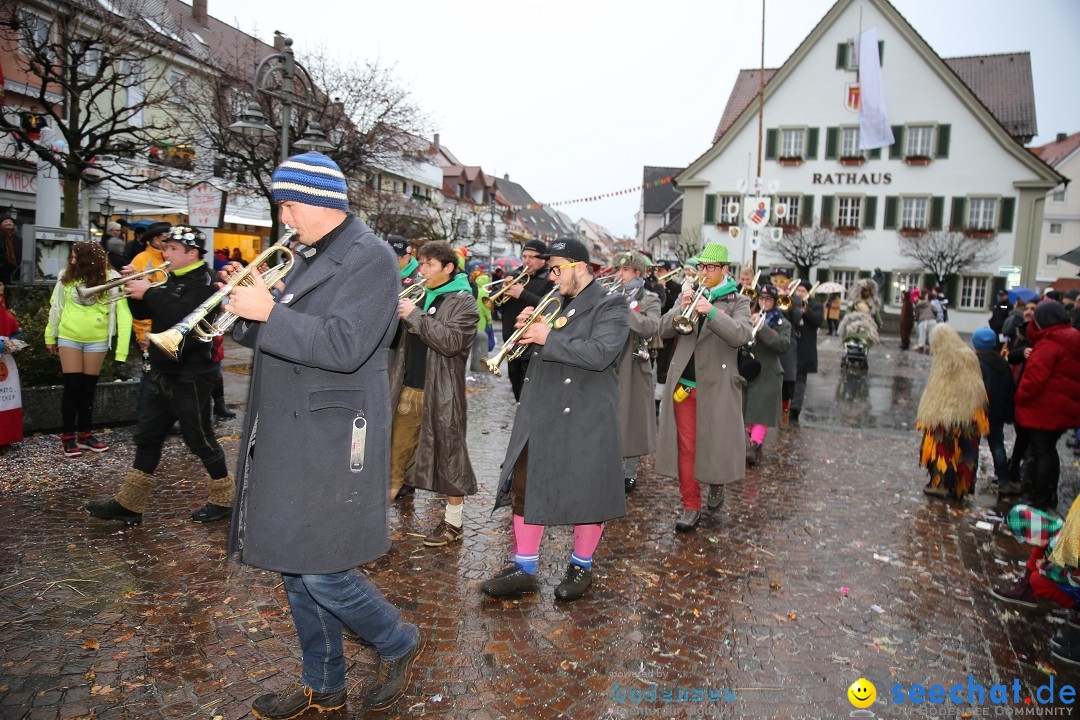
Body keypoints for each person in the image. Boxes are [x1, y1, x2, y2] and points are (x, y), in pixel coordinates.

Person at [220, 151, 422, 718]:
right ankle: (323, 681)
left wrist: (268, 312)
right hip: (289, 427)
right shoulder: (307, 256)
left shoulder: (371, 259)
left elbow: (344, 346)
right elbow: (278, 337)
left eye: (288, 203)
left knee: (322, 567)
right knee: (293, 560)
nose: (283, 217)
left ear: (319, 200)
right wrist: (243, 310)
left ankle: (397, 640)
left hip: (333, 432)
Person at [482, 236, 628, 601]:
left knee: (587, 491)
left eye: (557, 270)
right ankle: (525, 566)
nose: (552, 278)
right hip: (541, 409)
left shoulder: (612, 306)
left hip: (584, 412)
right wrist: (525, 337)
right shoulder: (553, 304)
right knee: (524, 483)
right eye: (550, 270)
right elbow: (540, 352)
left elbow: (600, 353)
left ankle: (581, 566)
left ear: (580, 267)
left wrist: (547, 336)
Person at [84, 227, 233, 524]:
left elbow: (181, 316)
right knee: (148, 435)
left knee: (198, 437)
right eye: (167, 248)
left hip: (191, 373)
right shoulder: (169, 279)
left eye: (174, 249)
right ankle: (130, 503)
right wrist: (134, 290)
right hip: (163, 369)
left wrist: (149, 290)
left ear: (192, 253)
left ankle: (224, 497)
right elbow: (144, 313)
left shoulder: (204, 283)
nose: (167, 254)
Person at [387, 240, 479, 546]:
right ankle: (369, 524)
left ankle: (454, 524)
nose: (422, 270)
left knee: (449, 458)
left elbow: (451, 342)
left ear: (448, 268)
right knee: (392, 458)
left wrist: (415, 315)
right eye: (421, 263)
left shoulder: (463, 301)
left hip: (441, 393)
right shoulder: (420, 294)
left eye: (429, 265)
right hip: (409, 388)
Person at [655, 243, 751, 532]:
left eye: (711, 268)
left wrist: (711, 311)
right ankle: (690, 505)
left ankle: (716, 482)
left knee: (714, 443)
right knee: (687, 446)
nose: (704, 273)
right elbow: (663, 329)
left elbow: (741, 335)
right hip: (684, 384)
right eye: (701, 267)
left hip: (718, 386)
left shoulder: (738, 301)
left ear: (724, 270)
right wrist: (681, 309)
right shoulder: (689, 291)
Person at [45, 241, 132, 456]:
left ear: (88, 259)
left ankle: (85, 434)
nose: (72, 260)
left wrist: (122, 351)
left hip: (97, 339)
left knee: (88, 389)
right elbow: (56, 307)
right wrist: (50, 335)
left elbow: (123, 313)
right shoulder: (66, 276)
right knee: (72, 386)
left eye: (76, 257)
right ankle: (67, 436)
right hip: (69, 337)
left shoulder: (111, 277)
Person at [1011, 301, 1080, 510]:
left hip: (1043, 410)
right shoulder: (1070, 338)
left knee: (1041, 452)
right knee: (1049, 451)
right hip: (1060, 408)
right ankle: (1048, 493)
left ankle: (1039, 496)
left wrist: (1019, 398)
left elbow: (1034, 380)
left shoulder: (1049, 344)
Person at [916, 324, 989, 500]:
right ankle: (960, 486)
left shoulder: (944, 360)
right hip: (970, 412)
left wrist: (928, 412)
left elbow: (937, 390)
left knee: (943, 450)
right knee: (965, 450)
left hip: (946, 414)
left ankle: (941, 485)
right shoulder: (969, 354)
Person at [610, 252, 661, 492]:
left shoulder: (649, 298)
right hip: (609, 363)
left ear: (637, 273)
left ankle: (629, 471)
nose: (618, 275)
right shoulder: (610, 294)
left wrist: (625, 310)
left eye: (624, 271)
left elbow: (650, 326)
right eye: (617, 270)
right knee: (608, 417)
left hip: (634, 365)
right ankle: (606, 465)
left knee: (633, 419)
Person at [497, 240, 554, 400]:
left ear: (543, 259)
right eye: (524, 256)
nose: (526, 261)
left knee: (531, 391)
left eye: (532, 257)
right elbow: (495, 304)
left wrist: (523, 294)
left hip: (534, 345)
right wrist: (501, 291)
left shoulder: (551, 280)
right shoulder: (515, 275)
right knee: (516, 384)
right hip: (511, 341)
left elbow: (551, 306)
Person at [742, 284, 790, 467]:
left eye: (768, 299)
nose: (764, 302)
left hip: (769, 373)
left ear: (775, 302)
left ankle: (754, 446)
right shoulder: (750, 316)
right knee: (748, 412)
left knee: (760, 414)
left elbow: (782, 345)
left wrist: (764, 329)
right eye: (761, 299)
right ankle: (755, 443)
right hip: (750, 370)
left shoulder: (783, 324)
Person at [128, 222, 172, 419]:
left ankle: (162, 420)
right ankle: (143, 420)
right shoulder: (141, 260)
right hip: (149, 331)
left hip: (167, 328)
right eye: (166, 238)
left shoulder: (169, 258)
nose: (169, 241)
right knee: (149, 377)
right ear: (155, 239)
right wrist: (142, 335)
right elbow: (136, 301)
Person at [970, 327, 1015, 497]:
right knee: (997, 445)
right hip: (997, 412)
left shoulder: (975, 363)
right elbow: (1010, 390)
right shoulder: (1002, 363)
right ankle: (1003, 480)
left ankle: (970, 480)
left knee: (973, 446)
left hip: (978, 411)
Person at [791, 280, 823, 425]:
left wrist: (806, 311)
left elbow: (818, 321)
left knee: (800, 378)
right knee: (790, 377)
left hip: (806, 346)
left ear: (809, 293)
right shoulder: (792, 302)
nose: (799, 293)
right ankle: (787, 405)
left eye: (803, 291)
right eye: (798, 290)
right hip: (793, 345)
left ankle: (795, 407)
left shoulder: (816, 305)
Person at [0, 285, 27, 448]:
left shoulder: (5, 316)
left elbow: (17, 331)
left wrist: (13, 344)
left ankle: (4, 437)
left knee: (5, 402)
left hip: (4, 365)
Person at [912, 288, 936, 353]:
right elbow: (935, 310)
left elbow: (916, 313)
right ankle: (931, 348)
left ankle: (921, 347)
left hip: (923, 320)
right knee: (931, 335)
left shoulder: (918, 304)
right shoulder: (930, 304)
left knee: (922, 334)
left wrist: (917, 318)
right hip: (932, 320)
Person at [0, 216, 21, 290]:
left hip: (15, 275)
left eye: (11, 222)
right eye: (5, 222)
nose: (8, 223)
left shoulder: (18, 239)